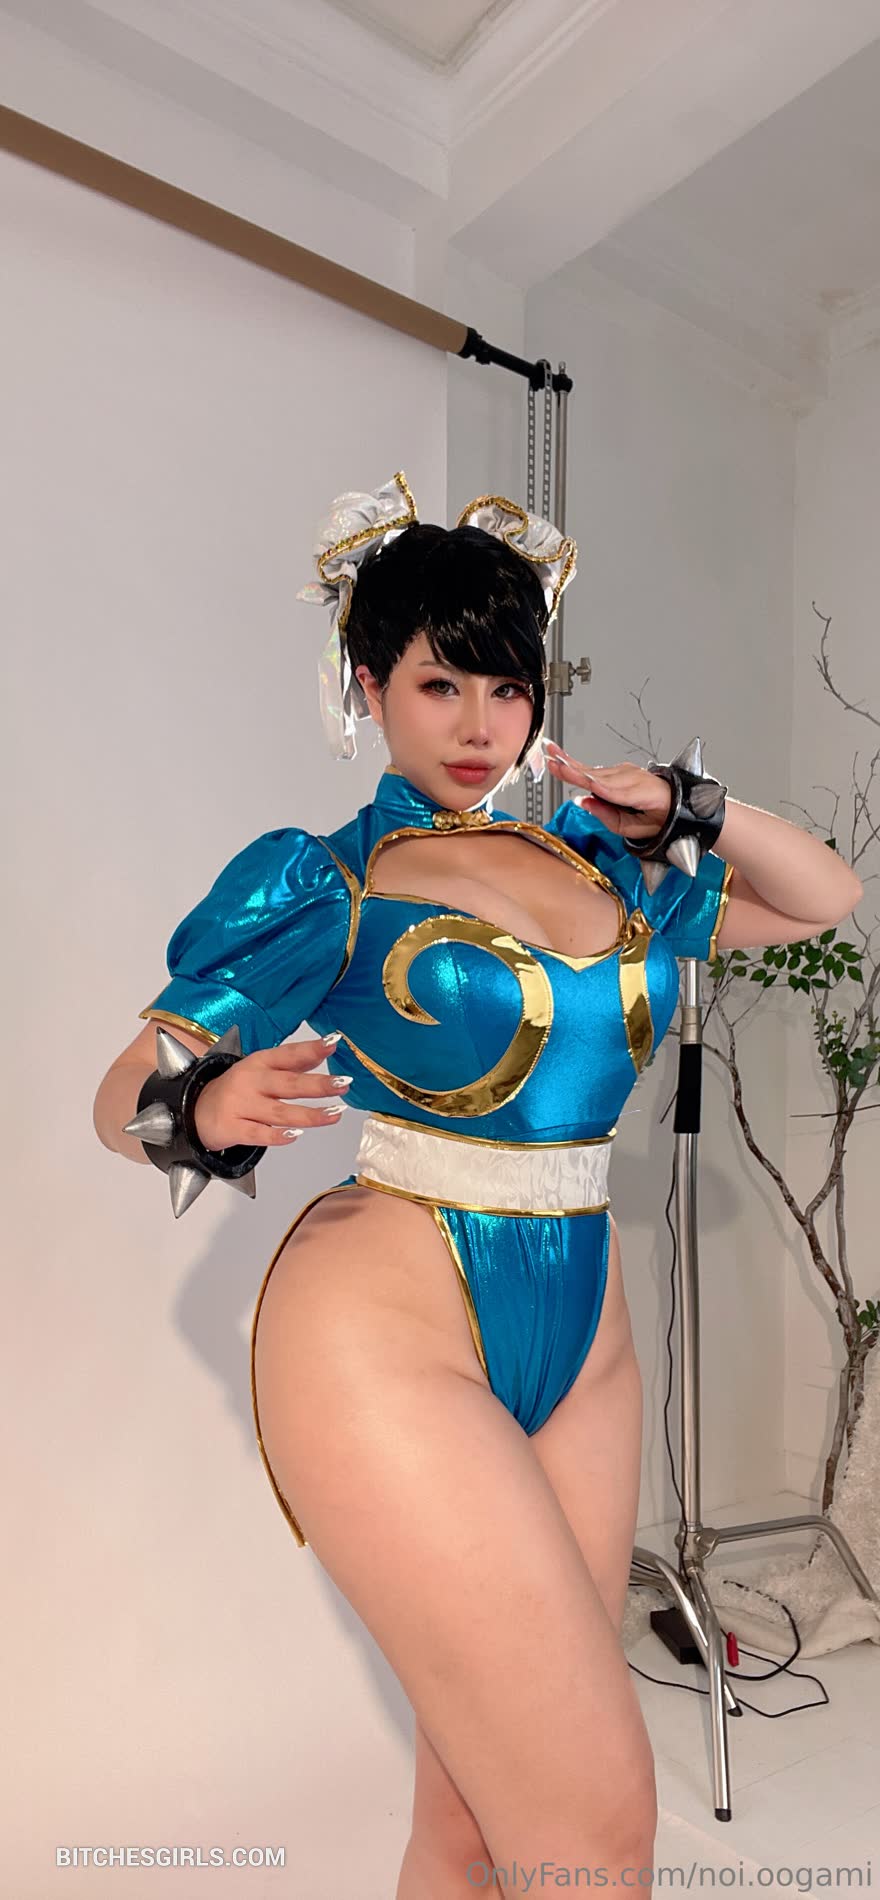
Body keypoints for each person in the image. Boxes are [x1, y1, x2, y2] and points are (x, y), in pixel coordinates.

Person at [93, 470, 862, 1898]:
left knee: (472, 1824)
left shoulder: (612, 865)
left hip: (584, 1343)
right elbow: (120, 1099)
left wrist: (691, 804)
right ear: (370, 686)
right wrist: (205, 1103)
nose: (477, 724)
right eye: (440, 684)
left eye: (507, 687)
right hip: (385, 1327)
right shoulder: (329, 879)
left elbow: (826, 898)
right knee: (595, 1830)